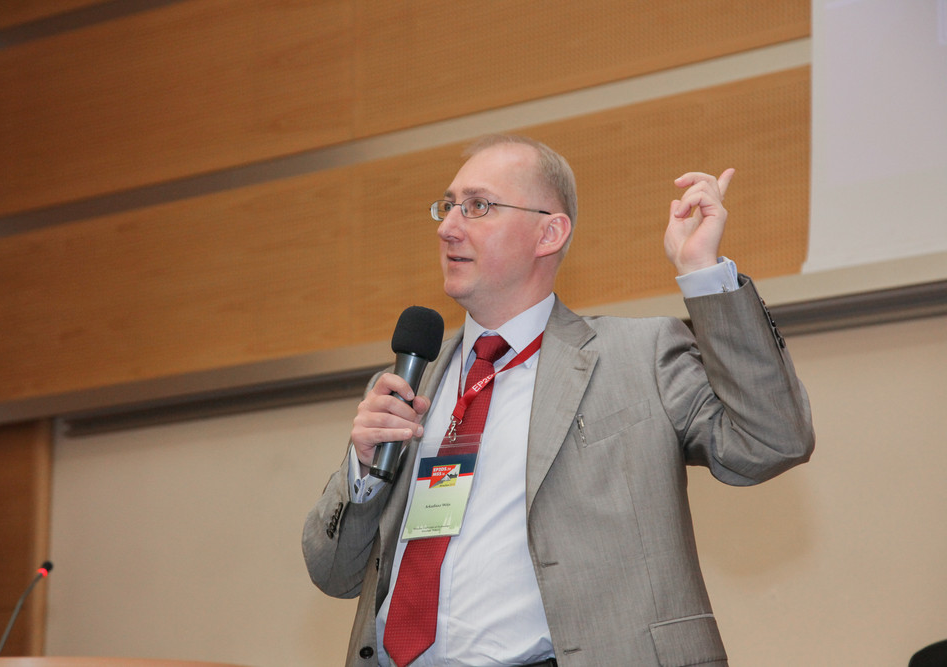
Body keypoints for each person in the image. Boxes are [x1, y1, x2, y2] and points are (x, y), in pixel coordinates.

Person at [303, 134, 814, 666]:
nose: (448, 226)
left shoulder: (638, 355)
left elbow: (772, 440)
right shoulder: (407, 386)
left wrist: (702, 272)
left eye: (478, 206)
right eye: (448, 205)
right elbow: (334, 572)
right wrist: (363, 472)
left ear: (549, 232)